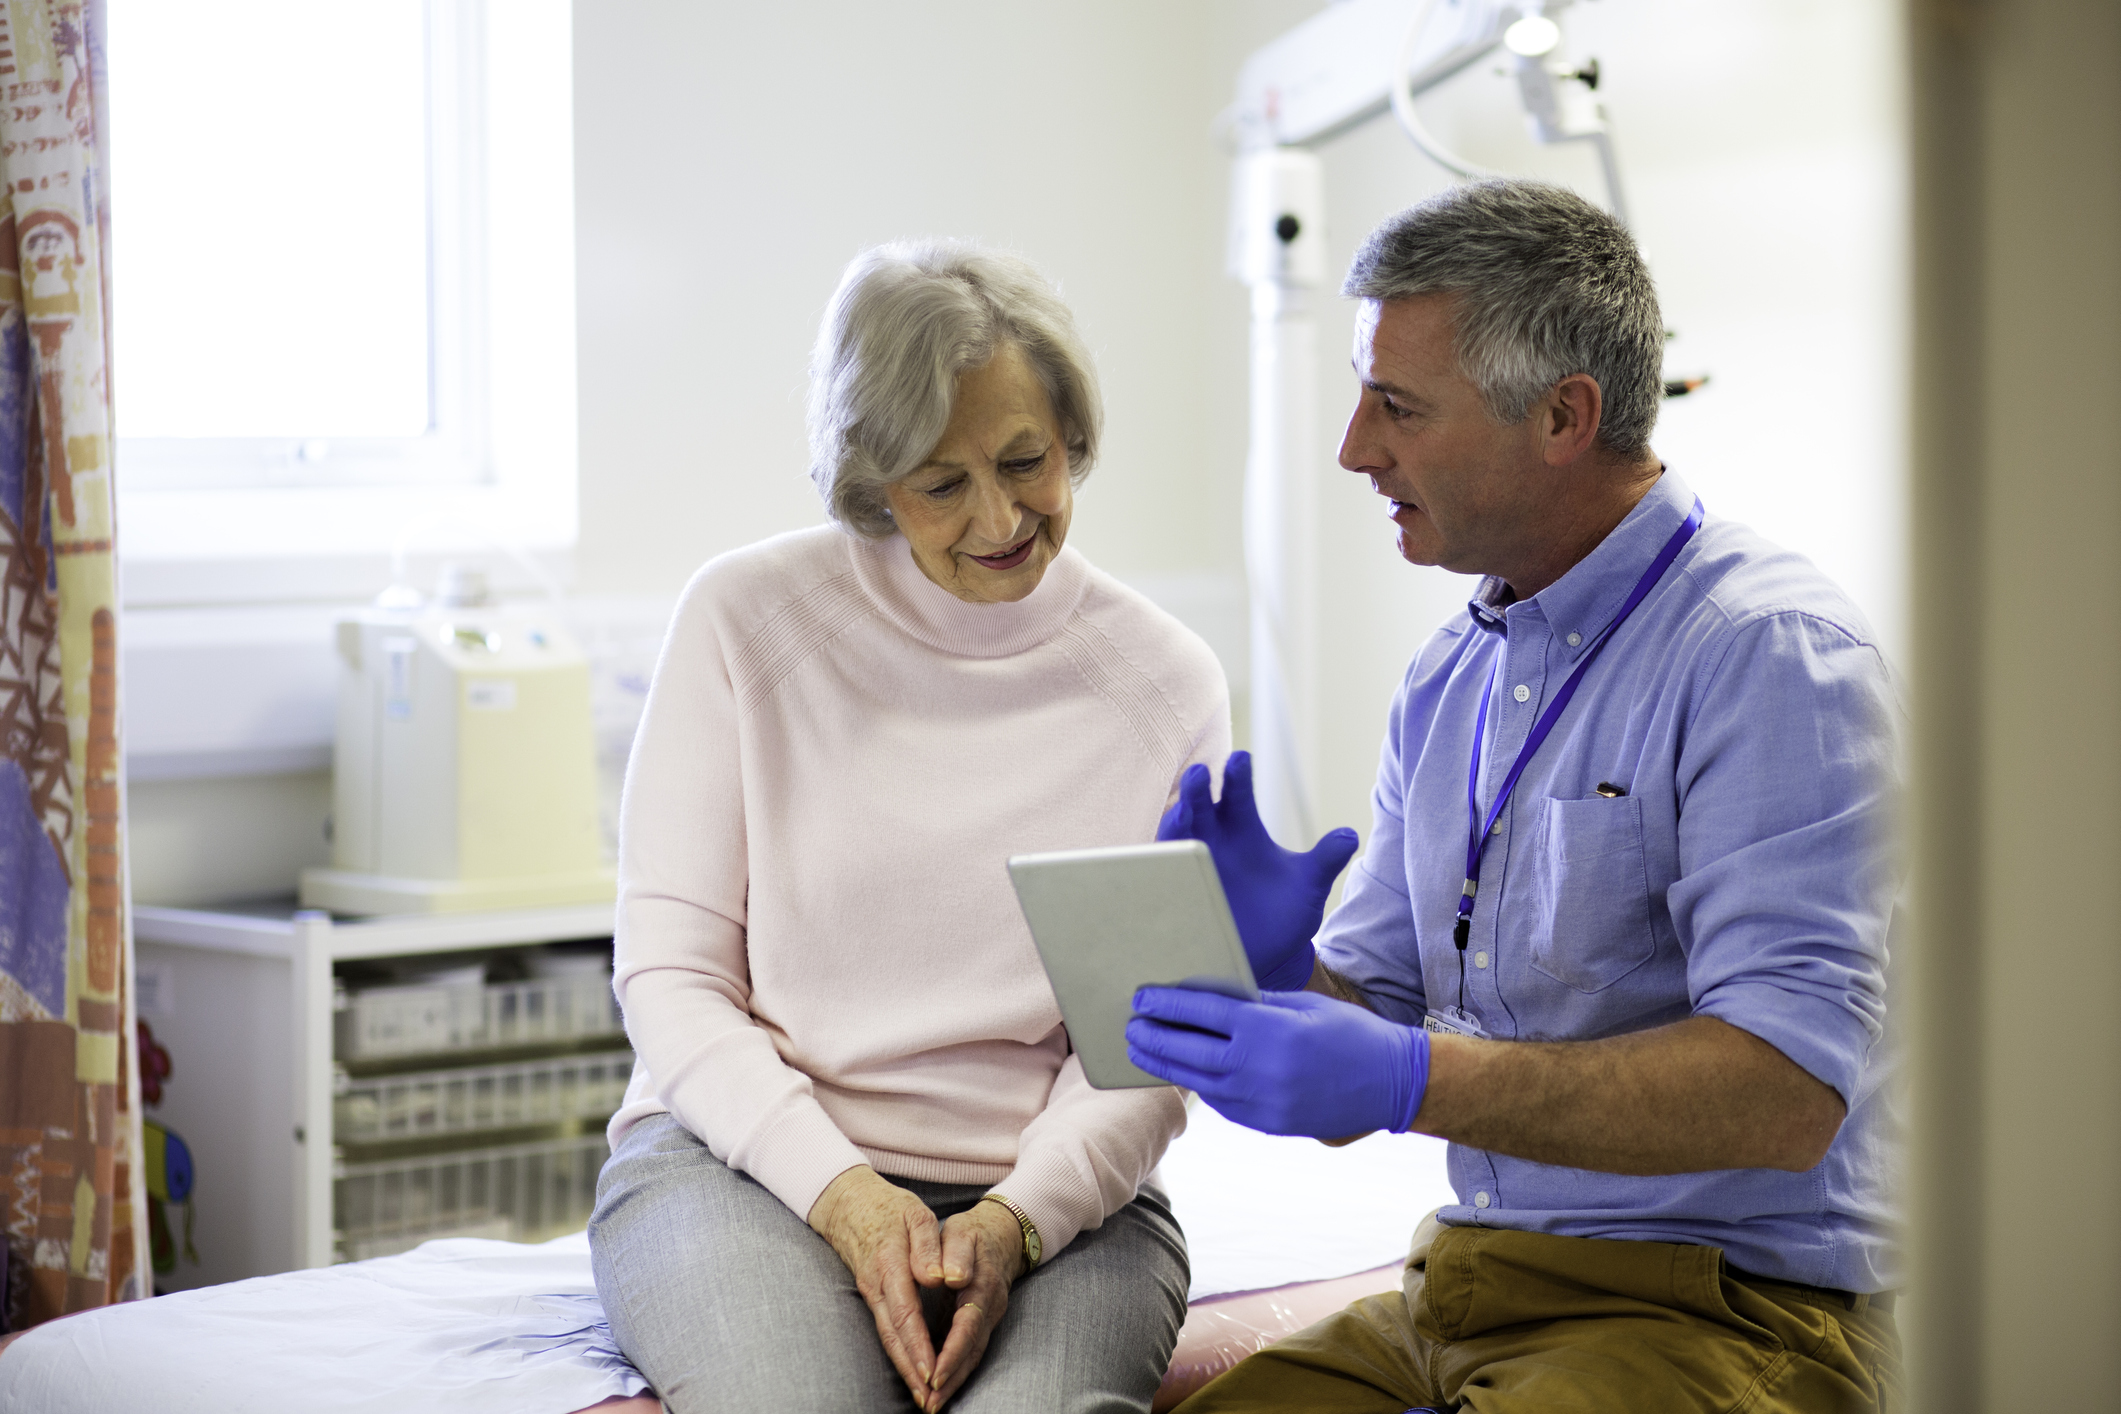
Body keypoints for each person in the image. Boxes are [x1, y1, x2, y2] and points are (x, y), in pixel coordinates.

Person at [1126, 180, 1901, 1413]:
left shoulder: (1770, 655)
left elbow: (1785, 1091)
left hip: (1723, 1306)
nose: (1354, 448)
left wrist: (1408, 1078)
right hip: (1469, 1283)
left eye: (1398, 407)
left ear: (1563, 415)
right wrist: (1276, 972)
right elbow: (1367, 1033)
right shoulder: (1450, 678)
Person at [591, 240, 1229, 1414]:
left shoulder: (1162, 682)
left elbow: (1145, 1043)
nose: (1000, 519)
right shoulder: (746, 622)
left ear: (1070, 437)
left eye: (1027, 461)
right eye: (941, 484)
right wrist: (844, 1193)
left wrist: (1017, 1220)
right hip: (748, 1170)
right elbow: (671, 975)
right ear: (873, 478)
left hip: (1055, 1202)